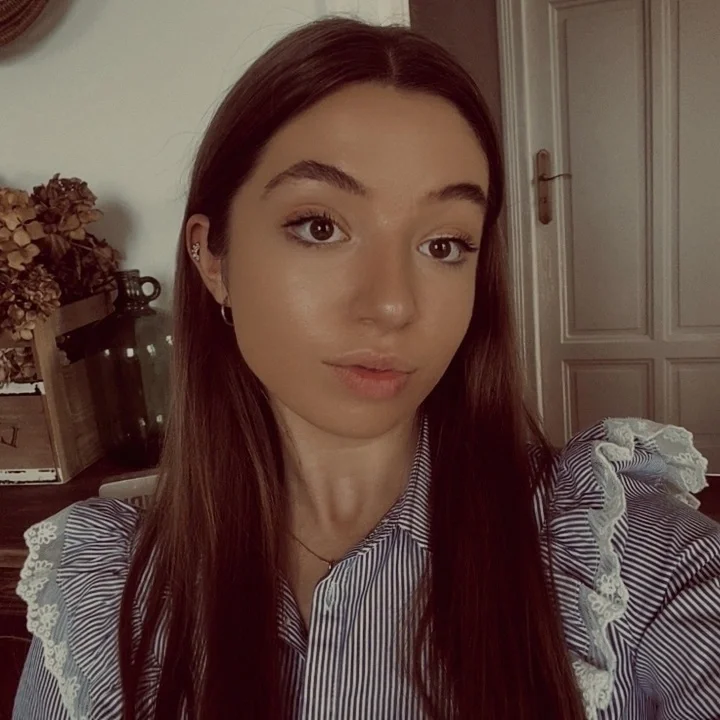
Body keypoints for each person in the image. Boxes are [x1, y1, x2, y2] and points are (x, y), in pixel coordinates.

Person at [12, 15, 720, 720]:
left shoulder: (628, 569)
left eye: (444, 244)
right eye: (320, 227)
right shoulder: (98, 597)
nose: (391, 305)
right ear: (213, 258)